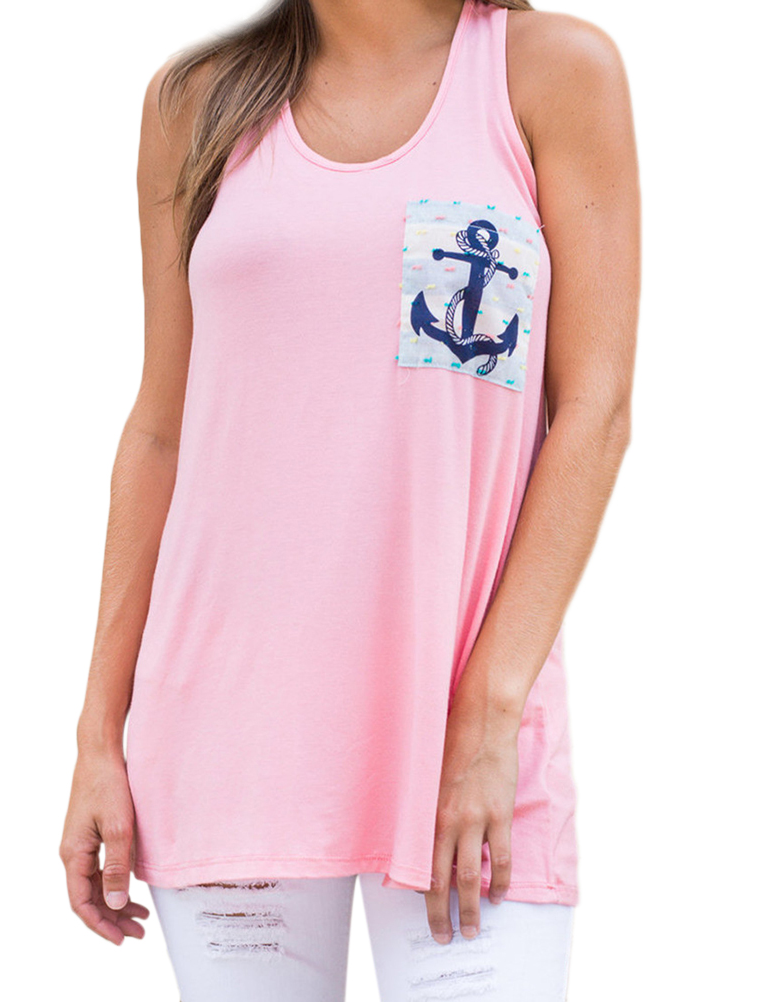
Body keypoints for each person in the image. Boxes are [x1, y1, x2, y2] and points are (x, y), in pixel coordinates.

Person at [59, 0, 639, 998]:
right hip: (226, 735)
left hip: (464, 731)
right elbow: (161, 431)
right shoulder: (194, 103)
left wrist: (490, 713)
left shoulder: (549, 73)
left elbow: (596, 410)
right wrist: (96, 736)